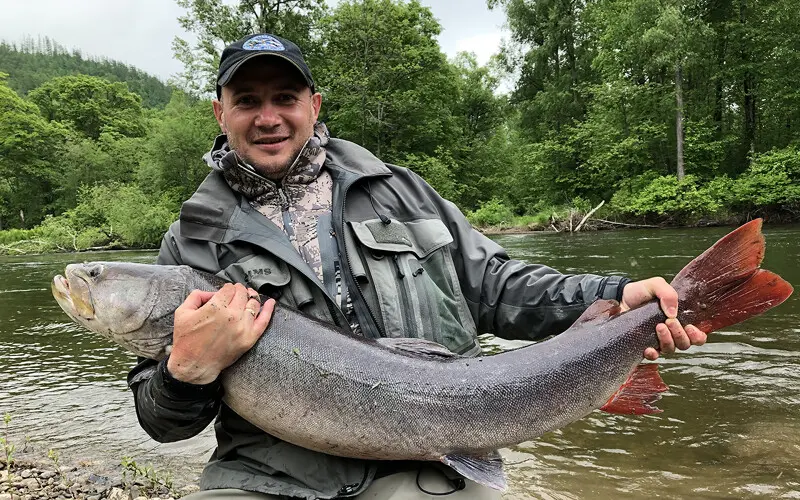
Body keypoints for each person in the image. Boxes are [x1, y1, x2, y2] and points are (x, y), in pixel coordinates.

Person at [127, 33, 707, 500]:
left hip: (428, 466)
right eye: (247, 101)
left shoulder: (400, 193)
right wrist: (182, 372)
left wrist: (613, 295)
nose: (269, 117)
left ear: (314, 105)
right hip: (267, 481)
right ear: (220, 112)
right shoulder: (190, 245)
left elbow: (496, 285)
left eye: (285, 97)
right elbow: (163, 423)